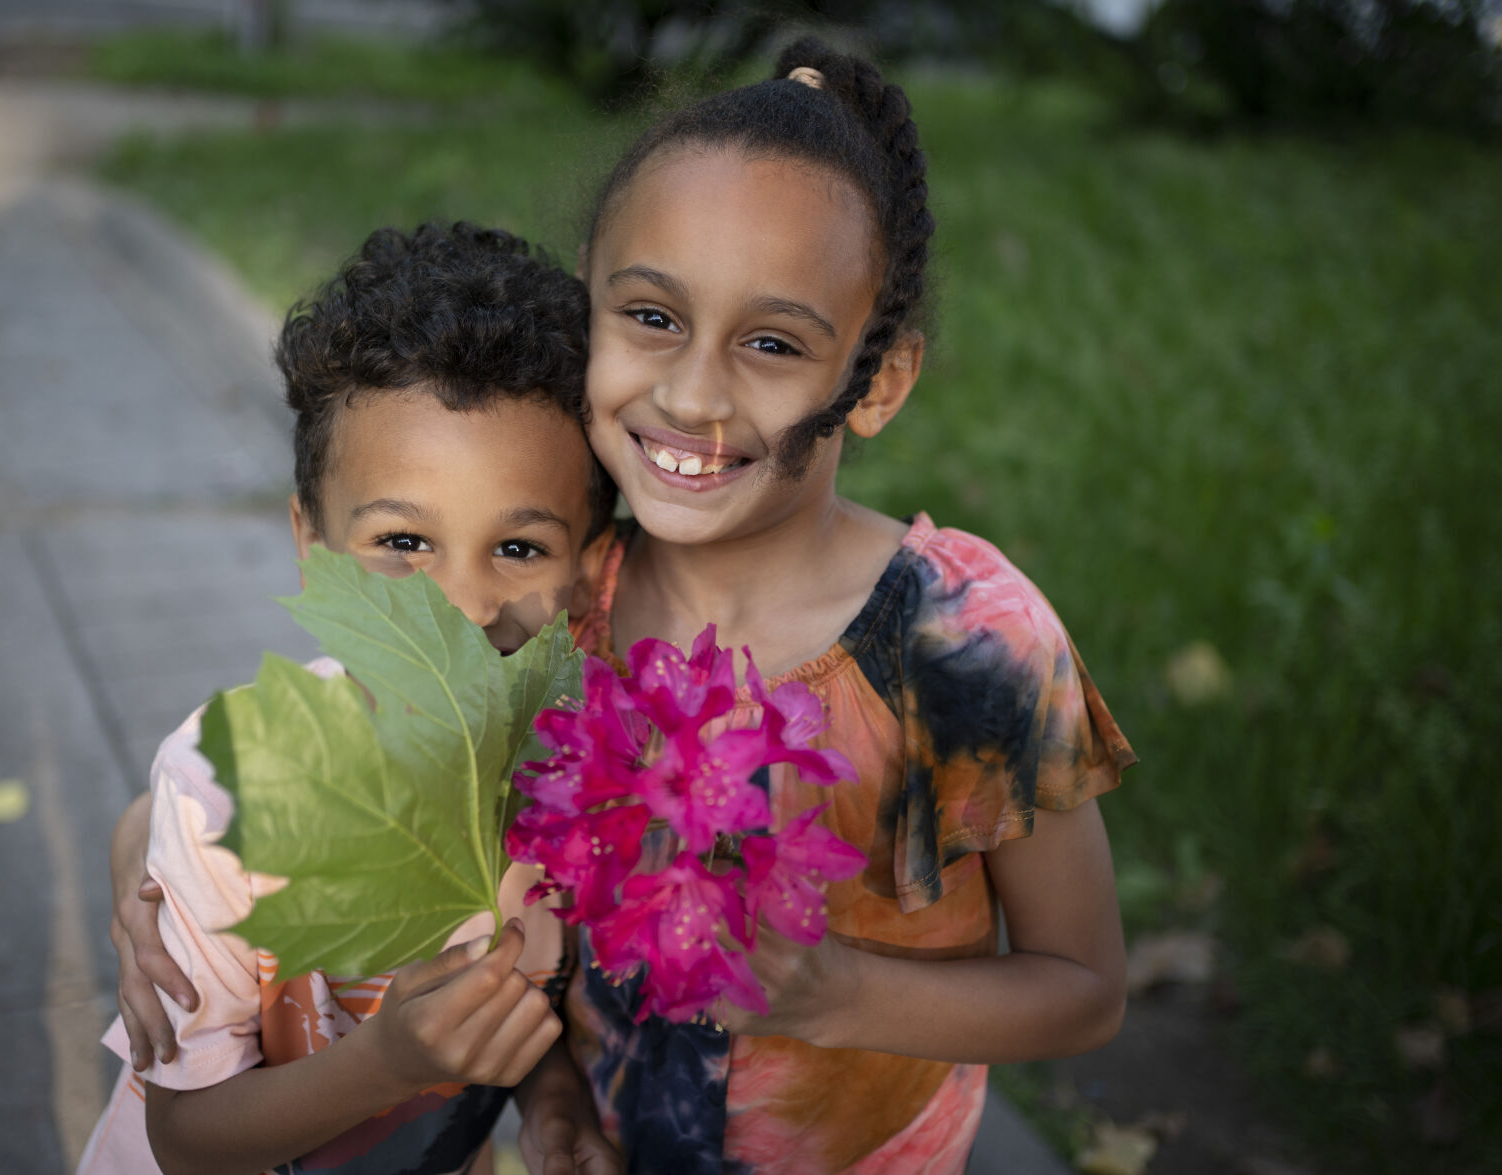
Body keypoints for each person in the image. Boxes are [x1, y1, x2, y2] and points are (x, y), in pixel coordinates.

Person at [119, 37, 1138, 1174]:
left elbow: (1084, 989)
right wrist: (143, 858)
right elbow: (333, 756)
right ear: (591, 304)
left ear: (878, 378)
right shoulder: (553, 591)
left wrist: (834, 990)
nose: (692, 394)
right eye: (651, 316)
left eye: (771, 342)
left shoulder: (965, 642)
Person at [77, 222, 622, 1175]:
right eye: (403, 542)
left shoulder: (575, 790)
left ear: (587, 568)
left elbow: (520, 995)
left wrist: (551, 1098)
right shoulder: (229, 797)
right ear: (313, 544)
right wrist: (386, 1063)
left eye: (519, 547)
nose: (462, 605)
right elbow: (185, 1139)